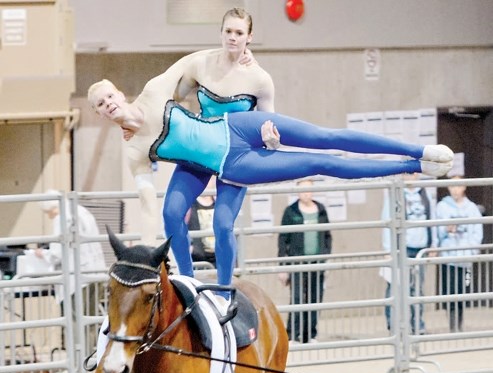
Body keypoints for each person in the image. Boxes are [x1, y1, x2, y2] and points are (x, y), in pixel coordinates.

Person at [88, 75, 454, 299]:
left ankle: (417, 151)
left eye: (109, 97)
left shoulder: (154, 91)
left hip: (239, 126)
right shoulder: (134, 148)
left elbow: (197, 62)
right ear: (100, 113)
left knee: (325, 138)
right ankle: (192, 282)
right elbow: (149, 200)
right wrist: (148, 245)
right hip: (228, 165)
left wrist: (235, 50)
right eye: (101, 105)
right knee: (317, 163)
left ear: (119, 93)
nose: (109, 105)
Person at [164, 8, 276, 292]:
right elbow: (172, 96)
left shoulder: (260, 79)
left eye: (239, 33)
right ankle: (187, 281)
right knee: (171, 213)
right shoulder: (201, 64)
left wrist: (270, 140)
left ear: (249, 37)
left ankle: (225, 289)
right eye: (228, 31)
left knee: (223, 224)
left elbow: (272, 131)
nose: (233, 38)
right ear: (221, 32)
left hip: (235, 157)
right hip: (200, 150)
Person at [36, 197, 106, 353]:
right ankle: (89, 361)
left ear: (52, 208)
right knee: (91, 321)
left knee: (74, 321)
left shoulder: (61, 217)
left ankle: (76, 365)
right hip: (96, 272)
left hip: (76, 278)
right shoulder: (83, 212)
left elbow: (57, 253)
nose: (49, 217)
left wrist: (42, 254)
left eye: (48, 213)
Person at [381, 172, 437, 334]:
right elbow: (387, 221)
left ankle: (417, 325)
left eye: (413, 173)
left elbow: (433, 220)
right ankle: (394, 326)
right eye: (407, 173)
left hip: (421, 249)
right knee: (395, 287)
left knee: (417, 289)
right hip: (401, 249)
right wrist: (387, 249)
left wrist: (433, 244)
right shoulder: (394, 195)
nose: (410, 176)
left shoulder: (426, 195)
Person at [278, 180, 332, 343]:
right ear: (297, 191)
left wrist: (325, 256)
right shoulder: (290, 211)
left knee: (315, 298)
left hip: (317, 262)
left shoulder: (321, 210)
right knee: (297, 298)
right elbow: (283, 239)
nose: (306, 193)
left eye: (309, 190)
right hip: (297, 262)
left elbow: (327, 236)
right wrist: (283, 266)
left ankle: (310, 334)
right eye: (302, 190)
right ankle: (292, 334)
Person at [436, 176, 483, 332]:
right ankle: (452, 324)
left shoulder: (471, 208)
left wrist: (472, 250)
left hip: (465, 256)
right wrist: (444, 231)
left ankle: (460, 323)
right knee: (449, 291)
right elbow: (436, 229)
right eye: (452, 186)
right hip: (448, 256)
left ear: (464, 187)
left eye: (458, 186)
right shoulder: (442, 207)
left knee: (462, 291)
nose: (455, 189)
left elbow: (477, 231)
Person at [186, 194, 217, 267]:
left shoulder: (219, 201)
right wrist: (190, 248)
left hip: (220, 256)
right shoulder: (189, 202)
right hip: (198, 257)